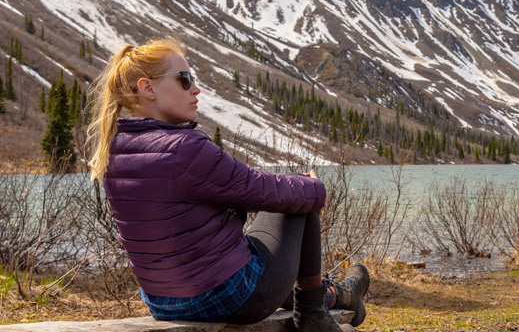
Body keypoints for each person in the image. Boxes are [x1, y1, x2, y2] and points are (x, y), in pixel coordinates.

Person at [86, 38, 369, 331]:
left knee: (288, 201)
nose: (195, 89)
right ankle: (313, 316)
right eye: (184, 79)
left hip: (162, 301)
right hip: (230, 297)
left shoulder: (114, 150)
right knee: (296, 196)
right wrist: (314, 189)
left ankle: (339, 296)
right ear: (148, 88)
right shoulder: (185, 147)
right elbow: (258, 188)